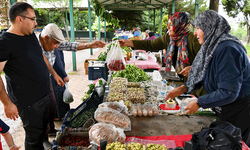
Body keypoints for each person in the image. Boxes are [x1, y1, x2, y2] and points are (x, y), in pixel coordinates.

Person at [165, 10, 250, 146]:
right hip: (224, 108)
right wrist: (183, 88)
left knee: (234, 143)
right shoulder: (211, 46)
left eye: (198, 28)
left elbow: (229, 92)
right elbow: (202, 72)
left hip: (238, 111)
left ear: (209, 27)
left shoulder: (228, 49)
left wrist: (199, 102)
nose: (194, 33)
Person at [0, 2, 56, 150]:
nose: (36, 23)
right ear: (20, 19)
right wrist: (6, 104)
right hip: (29, 102)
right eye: (33, 19)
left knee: (43, 131)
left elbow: (41, 56)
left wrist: (54, 73)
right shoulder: (5, 42)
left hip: (44, 94)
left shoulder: (30, 35)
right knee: (33, 138)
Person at [119, 12, 206, 97]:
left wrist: (194, 68)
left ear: (180, 25)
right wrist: (128, 43)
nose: (168, 27)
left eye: (171, 25)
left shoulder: (194, 40)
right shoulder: (169, 39)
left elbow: (210, 60)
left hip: (201, 85)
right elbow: (150, 44)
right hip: (185, 82)